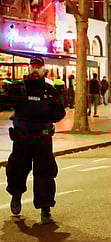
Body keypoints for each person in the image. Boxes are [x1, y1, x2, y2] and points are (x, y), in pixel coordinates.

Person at [4, 57, 66, 224]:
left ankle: (45, 209)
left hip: (42, 139)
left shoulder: (49, 90)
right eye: (33, 66)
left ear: (44, 69)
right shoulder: (19, 88)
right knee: (16, 170)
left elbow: (60, 113)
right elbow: (4, 101)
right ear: (28, 68)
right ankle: (16, 196)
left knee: (45, 173)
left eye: (39, 67)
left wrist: (49, 114)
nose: (35, 70)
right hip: (22, 138)